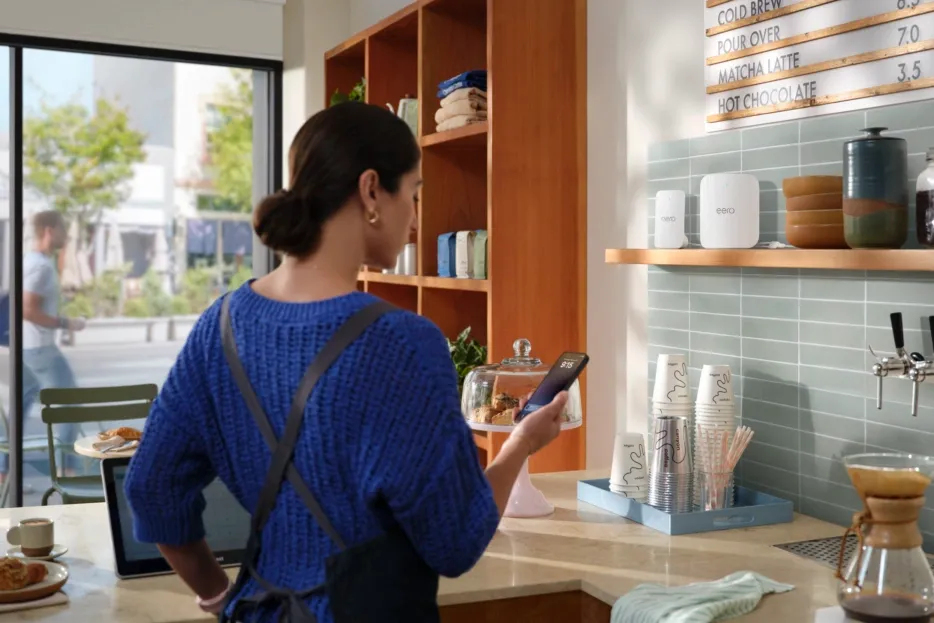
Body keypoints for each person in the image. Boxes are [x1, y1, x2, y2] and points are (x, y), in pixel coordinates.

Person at [123, 102, 567, 622]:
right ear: (372, 190)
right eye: (415, 193)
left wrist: (221, 599)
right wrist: (521, 444)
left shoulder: (218, 328)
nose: (417, 219)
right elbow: (456, 541)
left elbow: (151, 489)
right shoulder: (402, 343)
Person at [22, 210, 85, 474]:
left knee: (20, 406)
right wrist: (66, 323)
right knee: (70, 405)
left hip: (28, 347)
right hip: (41, 349)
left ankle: (3, 472)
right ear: (49, 230)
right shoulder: (40, 266)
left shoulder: (33, 261)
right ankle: (68, 470)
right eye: (62, 229)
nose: (66, 235)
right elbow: (27, 309)